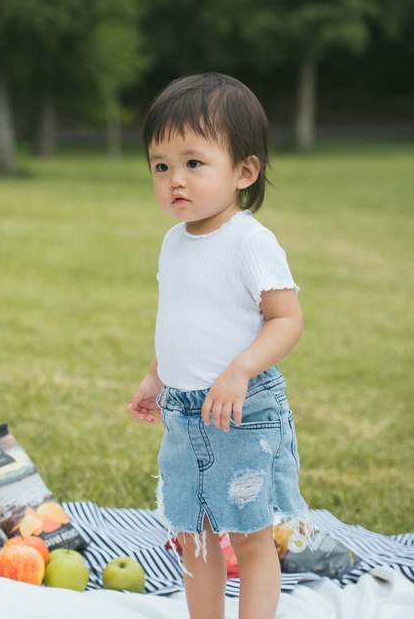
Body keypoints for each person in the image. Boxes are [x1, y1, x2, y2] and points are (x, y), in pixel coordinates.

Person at [128, 72, 310, 619]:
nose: (174, 179)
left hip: (242, 409)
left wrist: (239, 370)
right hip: (185, 411)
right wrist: (156, 376)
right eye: (161, 166)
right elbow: (181, 318)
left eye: (193, 163)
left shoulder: (250, 241)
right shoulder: (173, 241)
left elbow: (286, 320)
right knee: (194, 534)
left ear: (244, 171)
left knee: (251, 535)